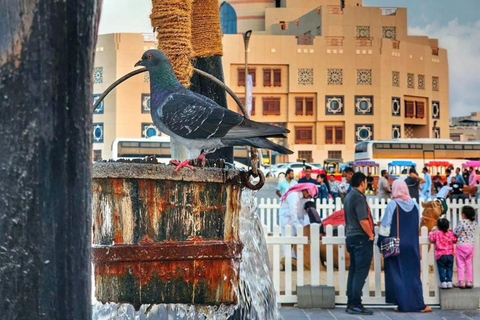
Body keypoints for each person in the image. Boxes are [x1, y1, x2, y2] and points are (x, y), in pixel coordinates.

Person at [378, 180, 432, 312]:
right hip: (412, 244)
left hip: (397, 245)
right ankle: (419, 305)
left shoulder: (392, 205)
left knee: (398, 275)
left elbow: (385, 226)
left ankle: (403, 304)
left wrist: (380, 241)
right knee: (413, 275)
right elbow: (417, 224)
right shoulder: (415, 205)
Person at [344, 172, 375, 315]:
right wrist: (371, 235)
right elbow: (363, 220)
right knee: (360, 273)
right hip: (361, 238)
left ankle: (351, 301)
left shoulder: (349, 195)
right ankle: (356, 303)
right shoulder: (358, 197)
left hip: (351, 237)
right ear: (362, 182)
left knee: (354, 271)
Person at [278, 183, 318, 258]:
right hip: (288, 221)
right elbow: (293, 213)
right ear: (306, 191)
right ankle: (288, 261)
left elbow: (302, 212)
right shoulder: (294, 195)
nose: (309, 197)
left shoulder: (304, 198)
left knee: (296, 242)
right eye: (309, 195)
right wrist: (299, 227)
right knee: (288, 242)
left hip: (297, 221)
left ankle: (294, 260)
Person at [453, 205, 478, 288]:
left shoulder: (462, 222)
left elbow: (456, 232)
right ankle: (469, 281)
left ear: (463, 215)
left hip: (461, 245)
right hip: (471, 245)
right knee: (469, 264)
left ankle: (461, 281)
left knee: (460, 264)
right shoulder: (474, 223)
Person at [429, 218, 457, 289]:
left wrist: (431, 232)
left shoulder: (437, 233)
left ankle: (443, 282)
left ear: (438, 226)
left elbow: (431, 239)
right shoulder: (450, 234)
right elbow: (455, 239)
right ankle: (449, 281)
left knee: (441, 268)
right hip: (450, 254)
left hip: (440, 255)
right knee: (449, 268)